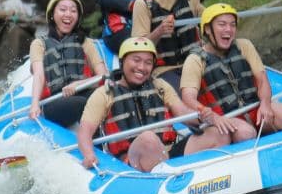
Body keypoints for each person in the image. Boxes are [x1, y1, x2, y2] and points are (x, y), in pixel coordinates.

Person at [76, 37, 228, 172]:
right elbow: (85, 130)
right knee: (148, 138)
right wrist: (89, 155)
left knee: (218, 134)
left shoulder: (159, 85)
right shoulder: (105, 93)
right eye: (136, 60)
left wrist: (203, 117)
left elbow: (181, 111)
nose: (142, 67)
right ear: (122, 62)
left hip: (167, 154)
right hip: (131, 160)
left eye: (148, 62)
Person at [180, 3, 282, 143]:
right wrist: (213, 117)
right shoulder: (195, 60)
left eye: (232, 25)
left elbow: (262, 80)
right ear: (208, 29)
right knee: (247, 133)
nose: (228, 29)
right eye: (222, 24)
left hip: (254, 109)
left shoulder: (244, 45)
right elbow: (188, 98)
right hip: (224, 118)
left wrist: (265, 104)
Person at [27, 0, 109, 127]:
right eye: (63, 9)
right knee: (84, 103)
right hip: (54, 101)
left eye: (73, 11)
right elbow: (39, 76)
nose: (68, 14)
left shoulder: (85, 42)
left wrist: (78, 85)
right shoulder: (39, 44)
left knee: (104, 96)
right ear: (52, 15)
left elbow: (103, 76)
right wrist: (35, 104)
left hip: (83, 93)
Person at [130, 0, 203, 91]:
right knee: (183, 93)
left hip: (195, 61)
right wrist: (159, 31)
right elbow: (137, 49)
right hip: (164, 70)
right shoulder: (144, 2)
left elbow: (206, 20)